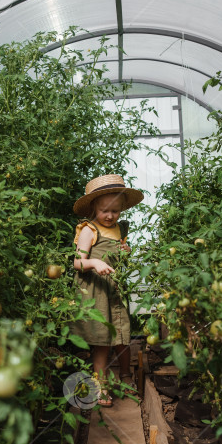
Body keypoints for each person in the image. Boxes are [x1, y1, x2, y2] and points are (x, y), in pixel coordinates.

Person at [72, 174, 144, 407]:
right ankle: (99, 386)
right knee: (103, 339)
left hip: (115, 288)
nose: (110, 216)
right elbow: (77, 263)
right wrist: (94, 262)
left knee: (122, 334)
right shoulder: (88, 230)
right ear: (94, 207)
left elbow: (120, 254)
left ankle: (126, 374)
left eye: (115, 211)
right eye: (105, 211)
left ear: (122, 207)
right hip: (96, 291)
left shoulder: (119, 229)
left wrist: (126, 251)